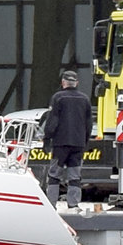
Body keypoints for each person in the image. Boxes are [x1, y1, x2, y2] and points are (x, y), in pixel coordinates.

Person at [42, 70, 94, 210]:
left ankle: (51, 205)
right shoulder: (85, 99)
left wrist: (47, 138)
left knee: (54, 175)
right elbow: (89, 124)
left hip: (60, 143)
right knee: (75, 176)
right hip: (78, 143)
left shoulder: (58, 98)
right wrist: (85, 141)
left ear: (63, 82)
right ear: (77, 83)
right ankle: (73, 204)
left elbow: (52, 121)